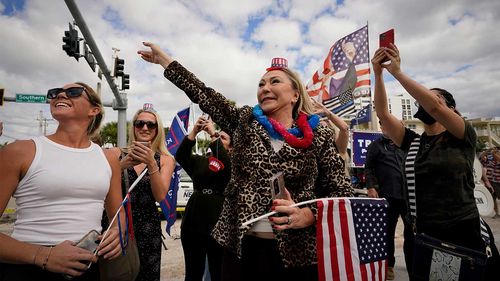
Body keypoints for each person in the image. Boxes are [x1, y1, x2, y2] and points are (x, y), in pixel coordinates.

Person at [138, 43, 353, 280]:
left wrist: (308, 214)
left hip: (298, 253)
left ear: (295, 94)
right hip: (241, 250)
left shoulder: (319, 135)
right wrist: (166, 61)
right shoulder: (244, 122)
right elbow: (204, 94)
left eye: (274, 82)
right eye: (261, 84)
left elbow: (340, 190)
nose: (265, 88)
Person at [371, 44, 500, 279]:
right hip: (424, 234)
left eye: (432, 95)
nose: (424, 101)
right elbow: (382, 113)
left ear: (451, 109)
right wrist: (378, 73)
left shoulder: (463, 136)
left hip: (463, 232)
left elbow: (435, 106)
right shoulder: (413, 142)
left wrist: (397, 72)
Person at [0, 82, 124, 280]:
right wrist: (43, 256)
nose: (60, 95)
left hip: (87, 267)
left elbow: (118, 214)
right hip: (27, 268)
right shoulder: (19, 151)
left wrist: (118, 232)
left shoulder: (108, 158)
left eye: (73, 92)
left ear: (94, 110)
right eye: (55, 93)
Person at [106, 103, 176, 281]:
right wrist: (121, 166)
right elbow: (101, 187)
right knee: (117, 273)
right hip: (116, 224)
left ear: (157, 129)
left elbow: (161, 196)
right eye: (140, 123)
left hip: (147, 227)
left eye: (151, 125)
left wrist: (152, 164)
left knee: (147, 274)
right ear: (134, 127)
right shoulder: (115, 153)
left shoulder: (166, 159)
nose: (145, 128)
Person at [175, 116, 231, 281]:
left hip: (218, 223)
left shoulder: (232, 164)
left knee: (218, 271)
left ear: (232, 147)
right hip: (193, 220)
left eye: (224, 138)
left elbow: (225, 166)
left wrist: (214, 134)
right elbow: (182, 156)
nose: (219, 139)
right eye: (218, 136)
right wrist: (195, 131)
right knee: (193, 272)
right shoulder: (202, 161)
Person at [365, 121, 413, 280]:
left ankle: (413, 266)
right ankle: (389, 266)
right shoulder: (375, 146)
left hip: (408, 197)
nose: (386, 127)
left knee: (412, 234)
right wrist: (371, 187)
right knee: (387, 234)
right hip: (387, 197)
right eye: (384, 124)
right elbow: (369, 168)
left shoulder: (407, 144)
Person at [480, 148, 500, 217]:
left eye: (497, 153)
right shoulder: (488, 161)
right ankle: (497, 213)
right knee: (493, 198)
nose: (494, 154)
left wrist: (495, 154)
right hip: (490, 182)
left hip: (498, 182)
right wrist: (488, 150)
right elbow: (482, 156)